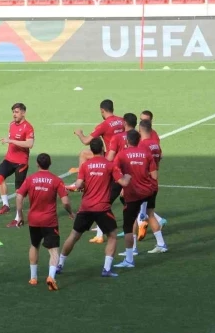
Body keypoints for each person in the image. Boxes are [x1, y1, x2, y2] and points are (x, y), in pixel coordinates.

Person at [57, 138, 131, 278]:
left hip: (86, 207)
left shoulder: (85, 165)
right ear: (103, 149)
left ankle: (59, 264)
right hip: (102, 208)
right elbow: (123, 183)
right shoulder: (110, 165)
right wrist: (128, 175)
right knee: (112, 236)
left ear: (91, 150)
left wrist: (83, 185)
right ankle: (106, 269)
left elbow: (78, 185)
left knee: (74, 235)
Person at [15, 153, 73, 291]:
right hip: (49, 221)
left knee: (34, 245)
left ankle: (33, 277)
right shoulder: (56, 180)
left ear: (37, 164)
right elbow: (65, 202)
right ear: (50, 163)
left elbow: (19, 197)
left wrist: (20, 216)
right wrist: (70, 212)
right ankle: (51, 277)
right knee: (53, 250)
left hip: (34, 220)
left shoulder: (30, 179)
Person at [114, 130, 164, 268]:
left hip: (132, 194)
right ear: (138, 140)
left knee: (128, 226)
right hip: (148, 191)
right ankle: (161, 244)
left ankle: (130, 257)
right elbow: (154, 175)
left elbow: (115, 171)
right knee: (150, 214)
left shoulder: (122, 154)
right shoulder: (147, 153)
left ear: (127, 141)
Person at [90, 112, 137, 244]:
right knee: (131, 204)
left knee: (104, 202)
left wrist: (100, 166)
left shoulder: (117, 138)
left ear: (124, 123)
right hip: (133, 175)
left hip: (118, 175)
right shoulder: (137, 137)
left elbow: (110, 158)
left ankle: (100, 234)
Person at [0, 102, 35, 228]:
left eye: (17, 112)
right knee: (0, 177)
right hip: (9, 159)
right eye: (13, 112)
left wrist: (11, 141)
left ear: (23, 113)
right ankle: (6, 205)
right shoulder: (11, 124)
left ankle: (18, 218)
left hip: (21, 162)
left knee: (19, 191)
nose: (14, 114)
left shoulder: (28, 127)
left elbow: (30, 144)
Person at [70, 99, 125, 172]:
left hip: (111, 157)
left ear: (102, 110)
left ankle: (82, 174)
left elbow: (86, 141)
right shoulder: (122, 120)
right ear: (112, 109)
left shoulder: (104, 125)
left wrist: (79, 133)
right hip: (124, 156)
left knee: (84, 153)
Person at [137, 118, 166, 243]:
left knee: (132, 209)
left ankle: (132, 248)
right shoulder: (155, 144)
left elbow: (140, 164)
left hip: (144, 183)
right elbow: (160, 157)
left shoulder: (142, 145)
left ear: (140, 130)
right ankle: (161, 243)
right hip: (153, 182)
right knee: (150, 213)